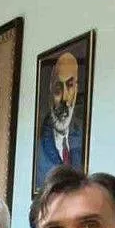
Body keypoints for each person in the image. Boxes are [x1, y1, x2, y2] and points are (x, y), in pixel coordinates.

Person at [34, 52, 85, 189]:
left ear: (76, 90)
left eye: (70, 86)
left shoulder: (81, 138)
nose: (65, 98)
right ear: (50, 92)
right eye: (58, 89)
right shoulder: (39, 149)